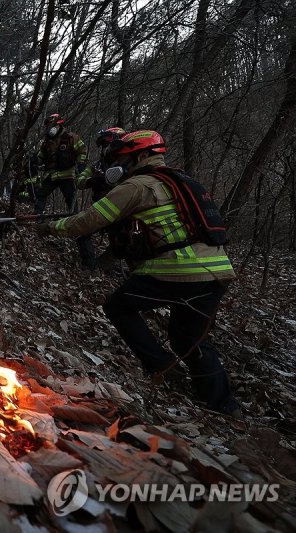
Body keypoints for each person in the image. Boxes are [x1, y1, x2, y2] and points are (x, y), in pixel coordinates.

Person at [35, 130, 241, 417]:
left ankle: (159, 367)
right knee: (190, 339)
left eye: (122, 159)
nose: (117, 165)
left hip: (177, 269)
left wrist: (51, 227)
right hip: (216, 272)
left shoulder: (137, 185)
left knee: (117, 307)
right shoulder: (181, 180)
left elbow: (91, 220)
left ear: (142, 156)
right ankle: (223, 406)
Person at [74, 127, 126, 270]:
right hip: (101, 209)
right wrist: (92, 180)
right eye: (103, 145)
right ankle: (91, 267)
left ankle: (108, 266)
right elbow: (79, 181)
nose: (105, 148)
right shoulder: (97, 165)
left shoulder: (128, 164)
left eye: (107, 144)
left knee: (123, 243)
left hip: (123, 213)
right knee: (83, 232)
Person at [28, 114, 87, 214]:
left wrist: (81, 164)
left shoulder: (71, 138)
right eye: (47, 126)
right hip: (51, 175)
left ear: (58, 125)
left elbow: (82, 151)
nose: (49, 128)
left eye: (51, 125)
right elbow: (41, 158)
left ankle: (74, 216)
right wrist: (34, 160)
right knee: (41, 194)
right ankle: (37, 216)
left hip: (67, 175)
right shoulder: (46, 142)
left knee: (70, 198)